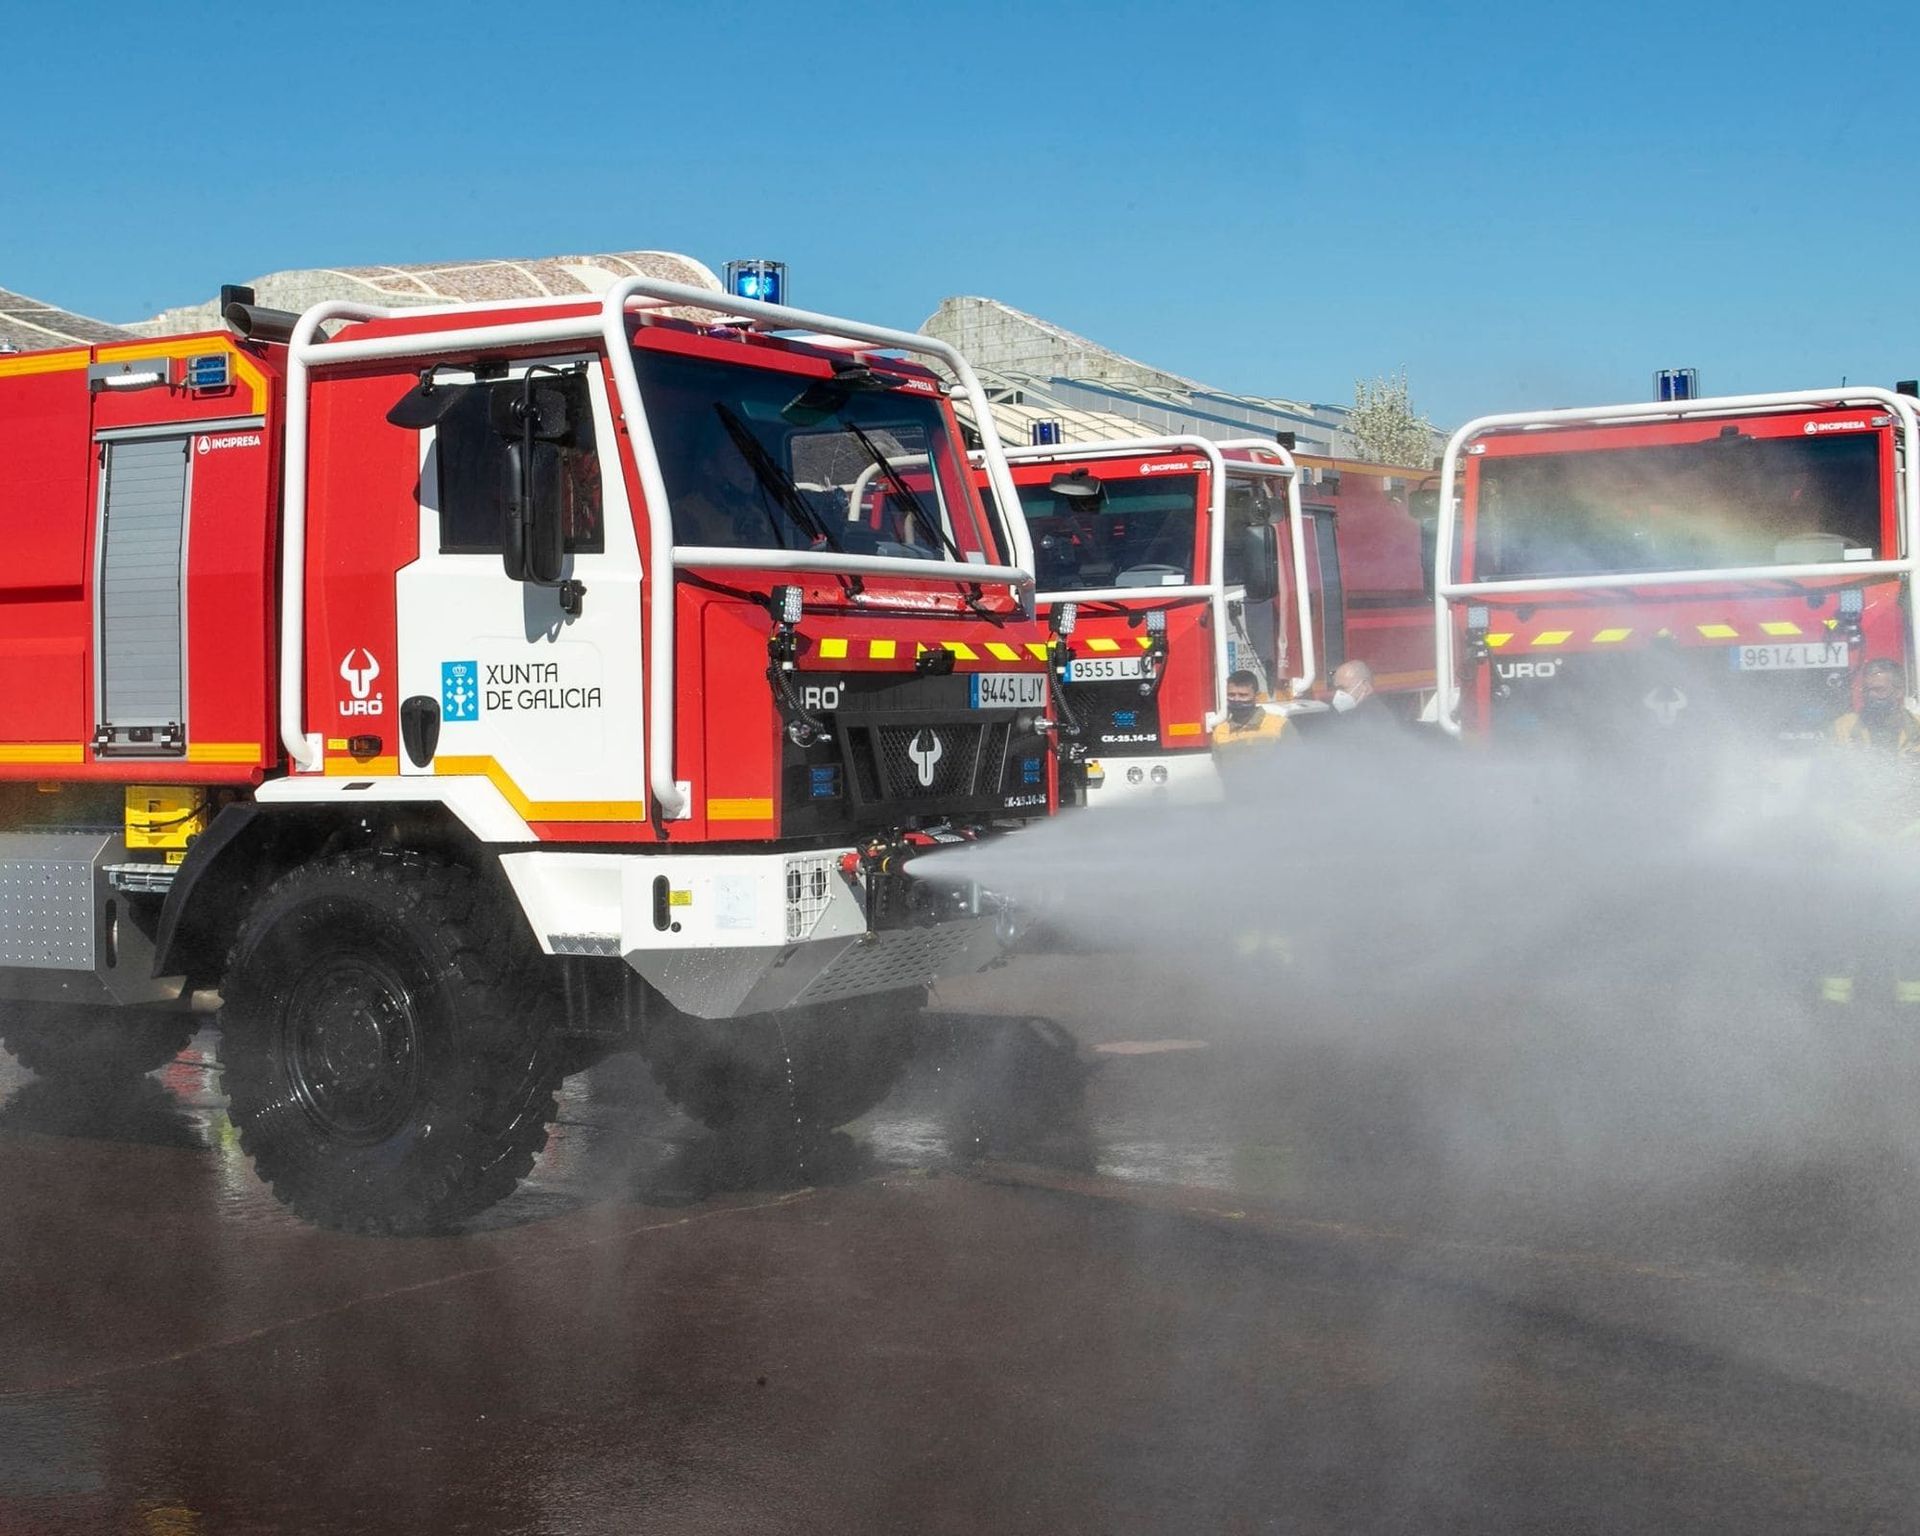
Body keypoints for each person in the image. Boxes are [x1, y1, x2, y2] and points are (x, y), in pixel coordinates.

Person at [1832, 658, 1920, 756]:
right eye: (1867, 690)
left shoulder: (1917, 727)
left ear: (1899, 692)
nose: (1871, 695)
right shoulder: (1844, 727)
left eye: (1879, 690)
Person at [1212, 670, 1290, 750]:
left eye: (1243, 695)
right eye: (1231, 695)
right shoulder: (1220, 732)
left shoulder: (1280, 726)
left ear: (1256, 696)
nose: (1236, 699)